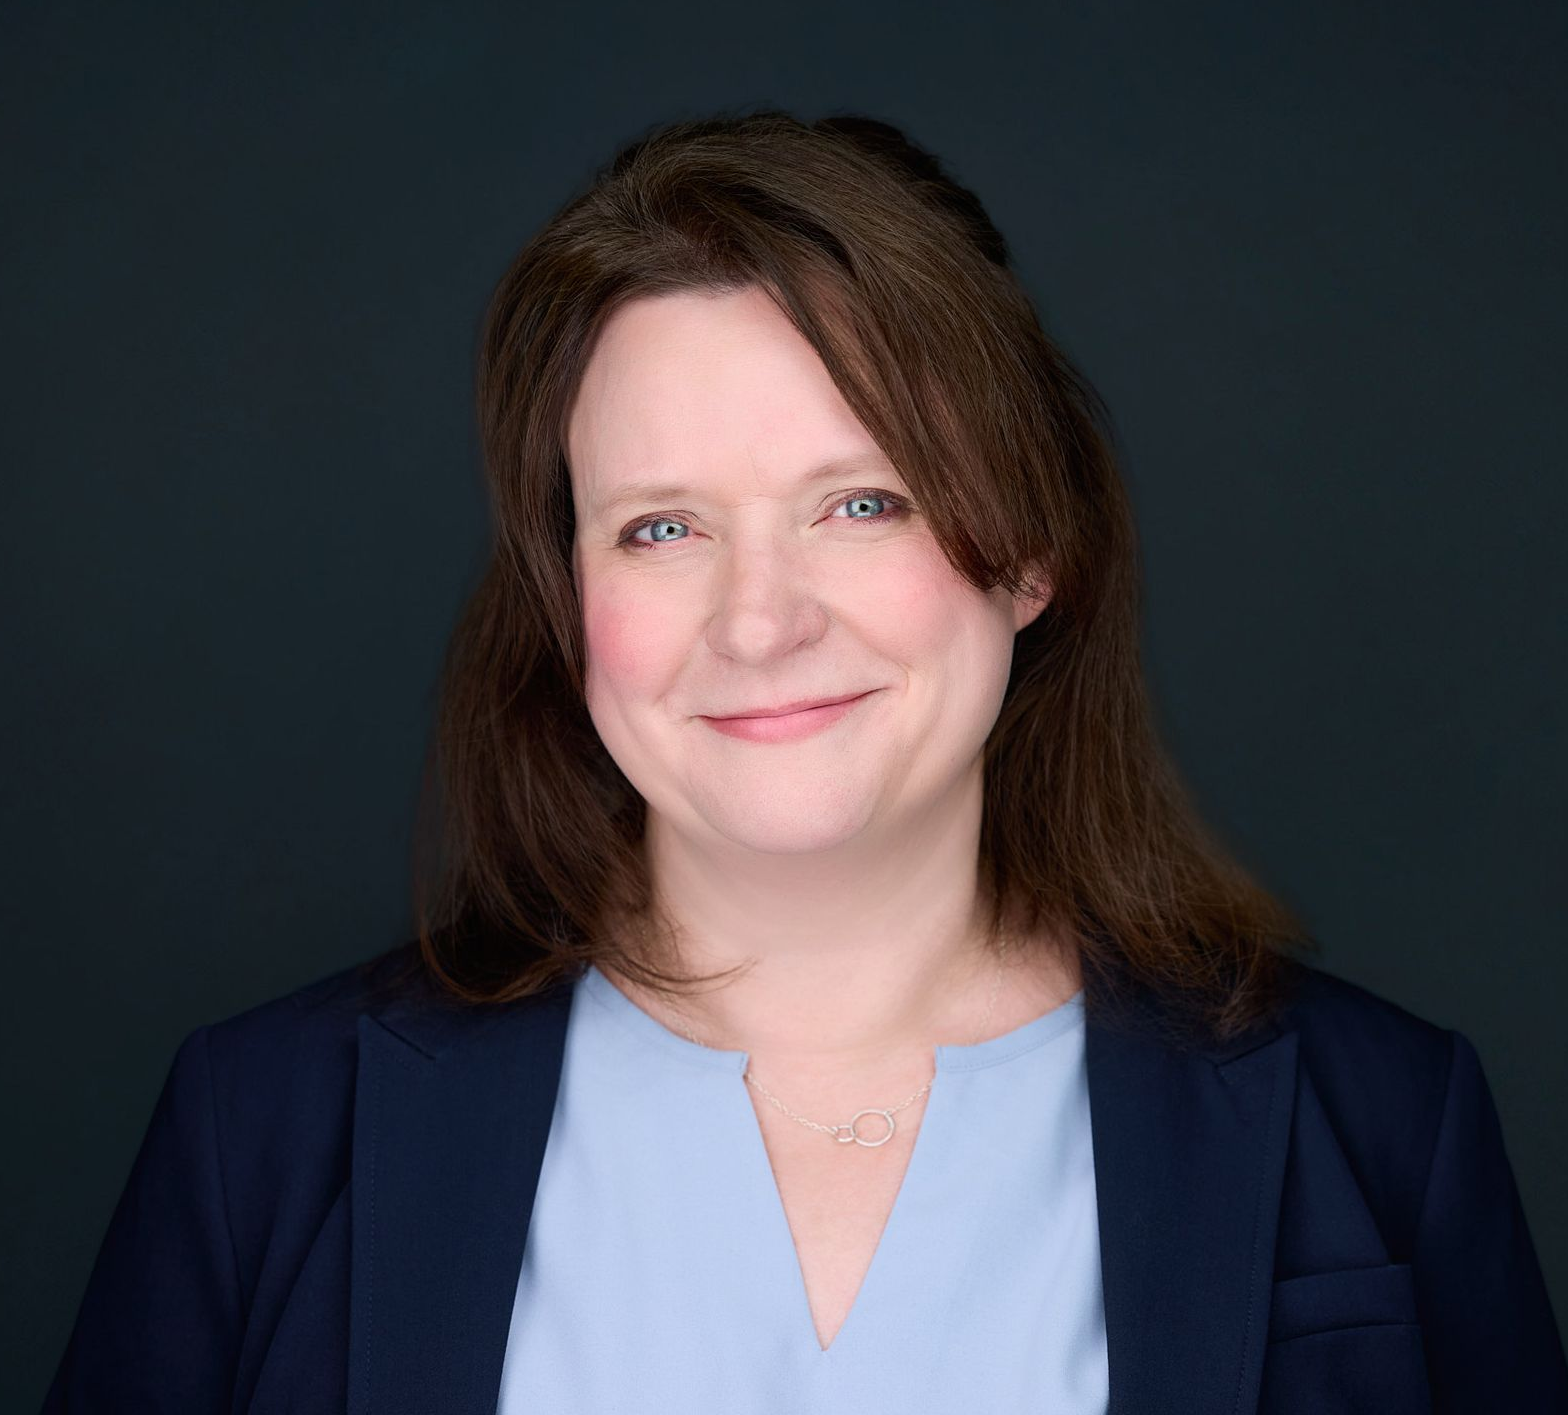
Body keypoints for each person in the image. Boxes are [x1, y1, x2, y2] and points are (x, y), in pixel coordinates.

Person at [42, 109, 1566, 1414]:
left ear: (1028, 547)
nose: (759, 621)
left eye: (861, 503)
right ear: (570, 601)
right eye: (660, 526)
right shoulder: (261, 1129)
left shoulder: (1382, 1123)